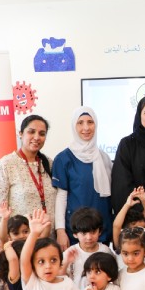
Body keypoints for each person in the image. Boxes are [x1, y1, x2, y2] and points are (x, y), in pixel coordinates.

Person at [52, 106, 113, 249]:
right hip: (77, 232)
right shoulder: (63, 159)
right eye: (80, 123)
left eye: (90, 122)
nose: (86, 127)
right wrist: (60, 231)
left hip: (101, 230)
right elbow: (61, 197)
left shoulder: (104, 158)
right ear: (74, 126)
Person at [0, 115, 56, 235]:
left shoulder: (50, 164)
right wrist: (3, 243)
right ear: (21, 134)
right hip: (20, 240)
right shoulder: (6, 164)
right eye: (31, 132)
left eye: (42, 134)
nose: (36, 137)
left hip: (48, 240)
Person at [63, 207, 115, 289]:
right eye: (84, 233)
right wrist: (66, 262)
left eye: (93, 232)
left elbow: (113, 275)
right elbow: (60, 277)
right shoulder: (70, 253)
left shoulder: (105, 251)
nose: (89, 237)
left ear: (100, 231)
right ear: (75, 234)